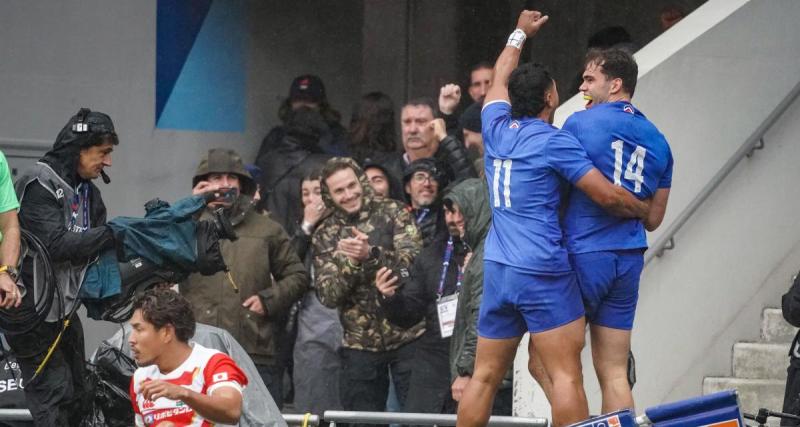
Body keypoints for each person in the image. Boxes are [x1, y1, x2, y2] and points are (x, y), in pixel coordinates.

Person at [455, 12, 650, 427]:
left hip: (499, 267)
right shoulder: (555, 142)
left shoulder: (494, 125)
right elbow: (603, 193)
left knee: (484, 376)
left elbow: (498, 79)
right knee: (567, 376)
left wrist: (519, 33)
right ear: (548, 99)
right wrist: (643, 208)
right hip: (543, 269)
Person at [561, 47, 673, 413]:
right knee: (614, 374)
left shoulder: (579, 123)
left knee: (556, 367)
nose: (583, 88)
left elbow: (555, 190)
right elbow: (654, 219)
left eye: (590, 79)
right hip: (628, 258)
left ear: (616, 83)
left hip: (583, 254)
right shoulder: (660, 141)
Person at [11, 108, 117, 426]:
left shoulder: (91, 195)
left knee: (81, 394)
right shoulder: (39, 184)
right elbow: (55, 245)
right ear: (79, 149)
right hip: (30, 312)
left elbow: (94, 254)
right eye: (103, 153)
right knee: (54, 396)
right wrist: (117, 233)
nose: (108, 162)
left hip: (65, 314)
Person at [183, 148, 308, 409]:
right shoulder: (184, 226)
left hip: (253, 348)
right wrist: (190, 209)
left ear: (243, 184)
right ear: (202, 183)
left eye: (232, 177)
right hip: (196, 348)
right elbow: (156, 259)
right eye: (215, 178)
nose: (224, 185)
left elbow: (297, 276)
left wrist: (269, 300)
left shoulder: (267, 229)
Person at [313, 157, 423, 419]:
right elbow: (328, 295)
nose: (349, 194)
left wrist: (371, 254)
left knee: (421, 419)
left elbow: (414, 266)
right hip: (359, 346)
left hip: (409, 336)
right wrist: (351, 263)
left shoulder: (394, 212)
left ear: (362, 182)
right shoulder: (325, 233)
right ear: (329, 196)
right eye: (339, 191)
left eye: (352, 185)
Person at [129, 288, 248, 426]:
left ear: (167, 332)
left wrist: (184, 393)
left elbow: (231, 411)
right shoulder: (140, 377)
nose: (131, 339)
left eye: (139, 329)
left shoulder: (212, 362)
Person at [255, 74, 342, 231]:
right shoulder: (275, 137)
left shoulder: (336, 137)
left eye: (310, 100)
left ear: (321, 104)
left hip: (321, 229)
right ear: (290, 103)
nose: (303, 105)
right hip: (277, 224)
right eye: (298, 100)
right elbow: (258, 183)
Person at [291, 170, 344, 414]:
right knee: (313, 379)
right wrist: (307, 226)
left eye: (318, 191)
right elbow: (288, 266)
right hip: (312, 308)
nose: (313, 199)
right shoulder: (300, 229)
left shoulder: (349, 223)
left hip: (347, 308)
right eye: (306, 193)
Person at [401, 98, 477, 185]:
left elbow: (472, 191)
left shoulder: (451, 168)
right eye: (407, 122)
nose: (412, 130)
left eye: (421, 122)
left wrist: (444, 138)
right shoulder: (389, 169)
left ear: (436, 125)